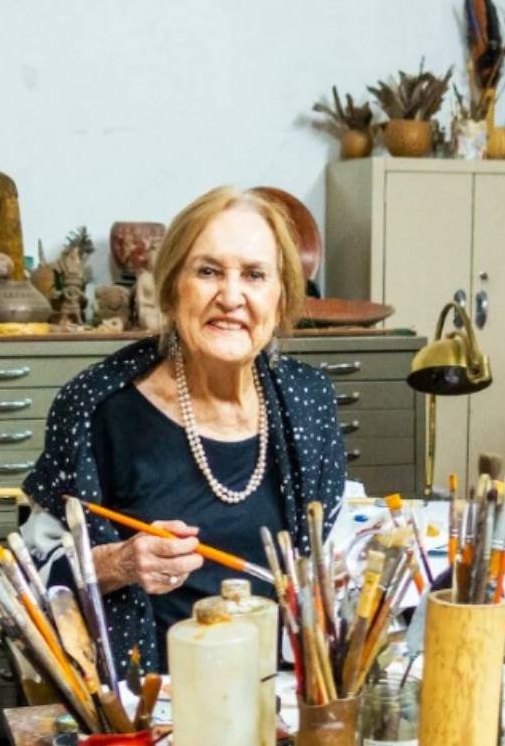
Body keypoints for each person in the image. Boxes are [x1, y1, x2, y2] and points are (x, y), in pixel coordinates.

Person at [22, 186, 346, 672]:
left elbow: (335, 542)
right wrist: (117, 564)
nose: (231, 297)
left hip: (281, 687)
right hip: (151, 693)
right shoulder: (97, 407)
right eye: (208, 271)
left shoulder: (307, 401)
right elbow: (29, 576)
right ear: (173, 289)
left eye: (255, 275)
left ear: (281, 300)